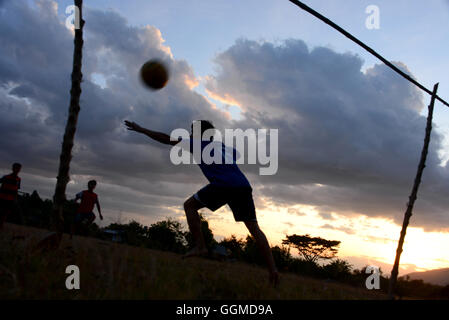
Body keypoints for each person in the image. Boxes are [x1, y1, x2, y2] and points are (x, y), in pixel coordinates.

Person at [124, 119, 279, 287]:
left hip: (223, 184)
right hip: (242, 186)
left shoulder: (196, 143)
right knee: (254, 229)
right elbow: (235, 154)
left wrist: (142, 129)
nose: (189, 133)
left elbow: (166, 138)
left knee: (189, 206)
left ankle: (200, 247)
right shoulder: (222, 147)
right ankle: (273, 271)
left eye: (192, 130)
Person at [0, 163, 22, 229]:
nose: (17, 170)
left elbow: (16, 190)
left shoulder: (18, 179)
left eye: (18, 168)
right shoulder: (6, 177)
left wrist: (15, 199)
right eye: (16, 168)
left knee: (5, 213)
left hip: (10, 199)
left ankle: (1, 225)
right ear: (12, 168)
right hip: (2, 197)